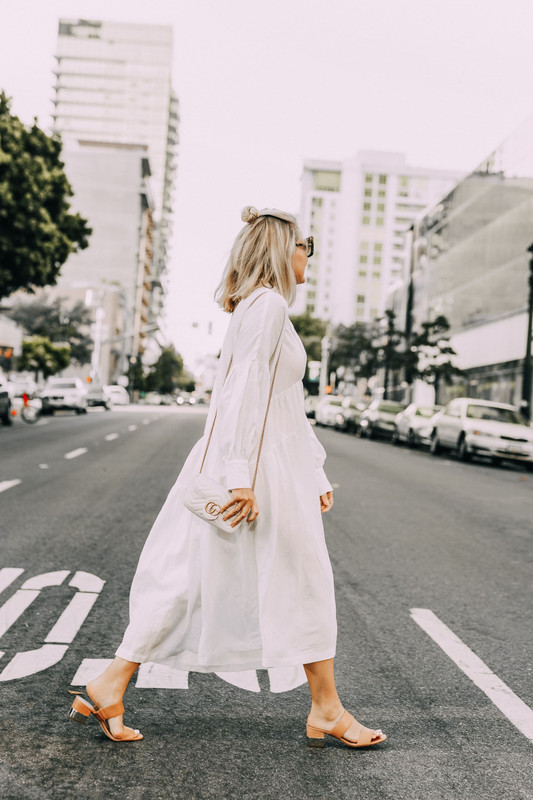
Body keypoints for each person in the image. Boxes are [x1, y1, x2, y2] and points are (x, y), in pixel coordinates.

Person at [67, 206, 387, 749]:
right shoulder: (266, 306)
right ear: (284, 249)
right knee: (291, 577)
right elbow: (241, 396)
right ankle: (326, 710)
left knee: (199, 574)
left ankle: (110, 683)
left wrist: (312, 470)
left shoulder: (265, 308)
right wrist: (241, 477)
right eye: (306, 243)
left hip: (264, 466)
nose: (310, 253)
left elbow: (285, 402)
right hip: (254, 471)